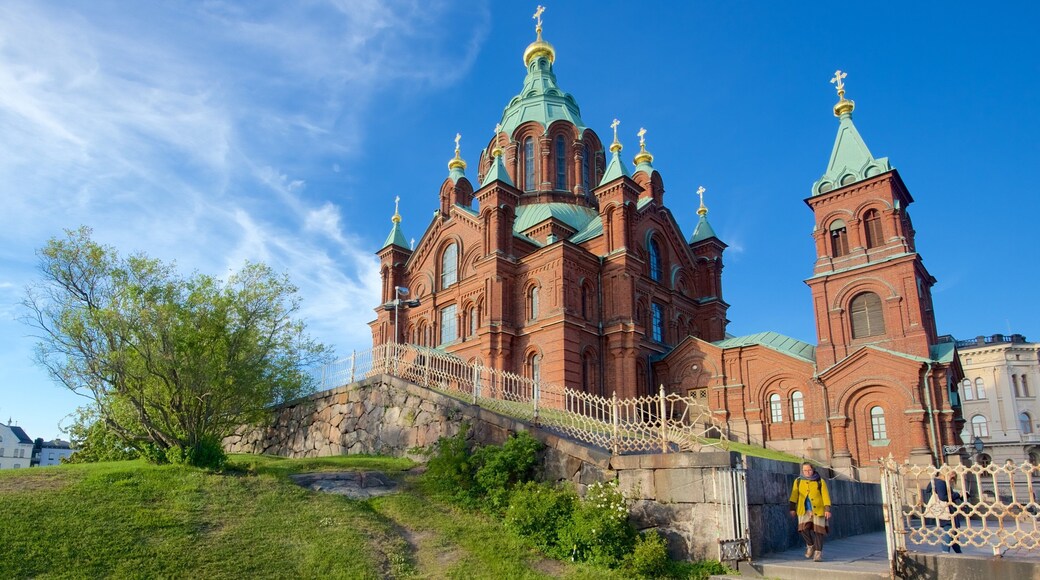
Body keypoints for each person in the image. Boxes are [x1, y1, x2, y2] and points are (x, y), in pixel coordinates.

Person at [789, 462, 831, 562]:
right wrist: (792, 508)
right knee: (803, 529)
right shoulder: (798, 481)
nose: (807, 472)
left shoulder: (820, 481)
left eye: (809, 470)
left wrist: (827, 509)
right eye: (805, 470)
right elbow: (794, 495)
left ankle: (818, 553)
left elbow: (825, 496)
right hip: (803, 510)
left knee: (818, 531)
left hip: (818, 509)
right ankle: (810, 545)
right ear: (802, 471)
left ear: (813, 470)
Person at [921, 471, 963, 553]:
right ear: (945, 473)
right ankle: (945, 552)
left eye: (954, 478)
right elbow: (943, 497)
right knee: (948, 532)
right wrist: (958, 495)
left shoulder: (936, 481)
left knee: (953, 534)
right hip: (946, 511)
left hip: (946, 511)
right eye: (952, 477)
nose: (952, 479)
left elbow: (928, 490)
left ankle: (959, 553)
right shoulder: (941, 483)